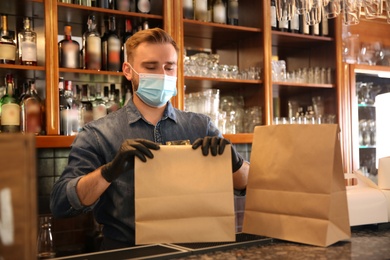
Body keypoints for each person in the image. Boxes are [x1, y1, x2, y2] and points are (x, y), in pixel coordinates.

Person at [50, 27, 249, 250]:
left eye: (169, 67)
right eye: (151, 67)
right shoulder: (96, 135)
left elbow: (251, 186)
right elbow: (61, 204)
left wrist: (235, 162)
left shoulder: (201, 126)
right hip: (127, 254)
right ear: (128, 70)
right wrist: (108, 171)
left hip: (196, 252)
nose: (162, 75)